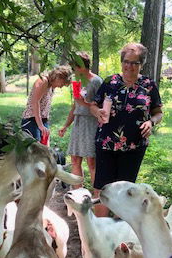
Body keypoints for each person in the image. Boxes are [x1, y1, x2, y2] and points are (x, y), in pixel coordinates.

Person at [89, 42, 163, 217]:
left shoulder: (149, 85)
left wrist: (151, 122)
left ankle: (118, 232)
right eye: (126, 62)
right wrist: (96, 112)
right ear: (121, 62)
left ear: (141, 64)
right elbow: (93, 105)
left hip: (134, 147)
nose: (129, 66)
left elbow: (158, 112)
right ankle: (100, 228)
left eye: (135, 63)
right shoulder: (110, 82)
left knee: (125, 190)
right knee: (101, 187)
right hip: (106, 143)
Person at [58, 52, 102, 186]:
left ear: (82, 66)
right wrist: (66, 125)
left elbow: (101, 106)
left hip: (91, 123)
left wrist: (86, 103)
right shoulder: (77, 82)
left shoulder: (96, 81)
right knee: (75, 159)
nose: (73, 71)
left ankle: (96, 196)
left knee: (91, 161)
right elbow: (75, 104)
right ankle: (77, 195)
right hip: (78, 123)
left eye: (75, 67)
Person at [21, 65, 72, 143]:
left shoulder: (51, 85)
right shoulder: (43, 81)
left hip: (43, 120)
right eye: (63, 83)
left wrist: (44, 124)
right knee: (35, 151)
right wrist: (40, 125)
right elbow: (35, 102)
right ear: (58, 77)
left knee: (45, 151)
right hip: (32, 120)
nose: (61, 86)